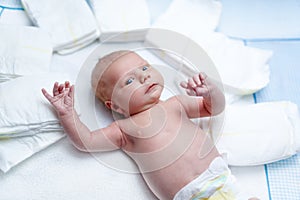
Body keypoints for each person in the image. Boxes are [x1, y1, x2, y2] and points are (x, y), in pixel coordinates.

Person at [42, 50, 259, 200]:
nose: (144, 77)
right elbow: (86, 141)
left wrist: (210, 92)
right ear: (114, 106)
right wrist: (67, 114)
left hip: (221, 179)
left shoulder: (176, 104)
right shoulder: (124, 130)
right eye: (129, 81)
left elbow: (214, 108)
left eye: (144, 68)